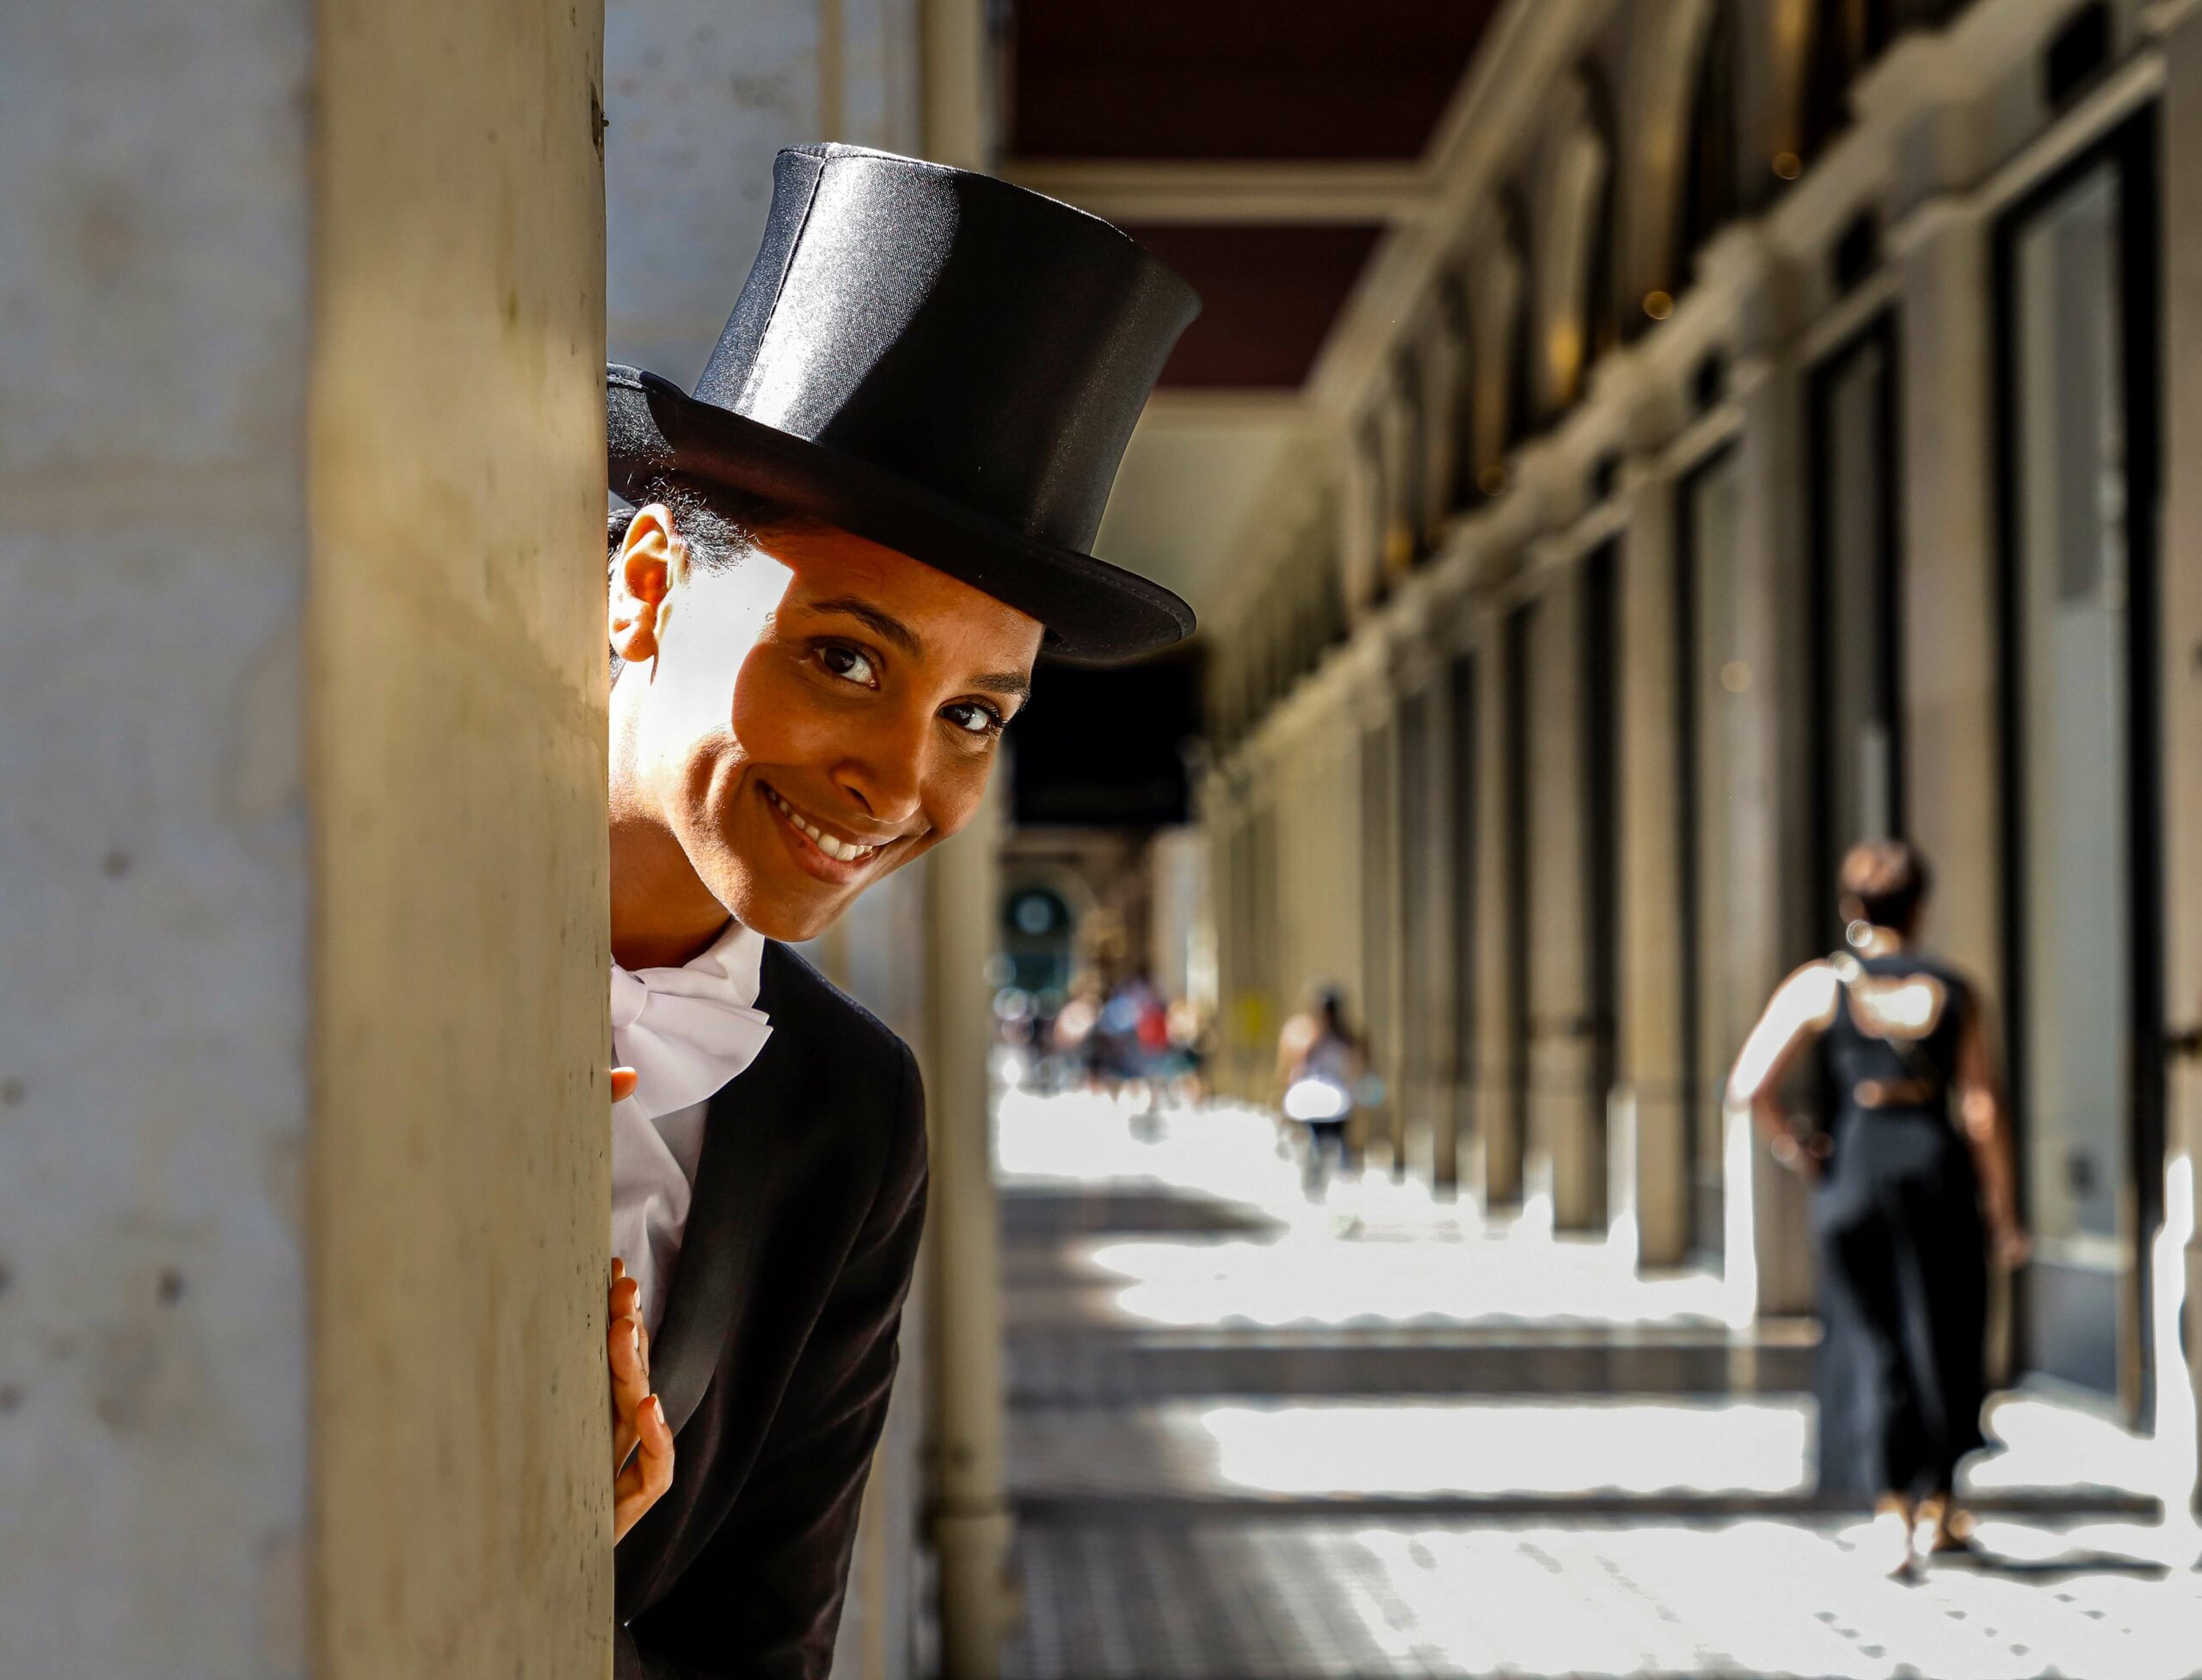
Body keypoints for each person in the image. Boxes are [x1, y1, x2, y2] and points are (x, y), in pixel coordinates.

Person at [595, 144, 1198, 1676]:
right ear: (647, 587)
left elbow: (758, 1649)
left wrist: (550, 1576)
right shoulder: (327, 924)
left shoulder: (850, 1114)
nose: (900, 780)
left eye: (976, 715)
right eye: (846, 658)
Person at [1728, 840, 2027, 1577]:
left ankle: (1887, 1509)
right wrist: (2003, 1209)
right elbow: (1982, 1109)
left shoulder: (1820, 985)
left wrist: (1801, 1147)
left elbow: (1748, 1084)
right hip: (1934, 1168)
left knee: (1871, 1338)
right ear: (1920, 905)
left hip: (1856, 1169)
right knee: (1946, 1336)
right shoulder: (1953, 988)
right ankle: (1938, 1506)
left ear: (1852, 906)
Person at [1276, 988, 1365, 1197]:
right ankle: (1334, 1177)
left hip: (1318, 1098)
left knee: (1319, 1141)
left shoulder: (1311, 1036)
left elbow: (1298, 1067)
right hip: (1334, 1099)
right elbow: (1358, 1067)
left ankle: (1320, 1179)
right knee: (1333, 1142)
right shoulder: (1347, 1039)